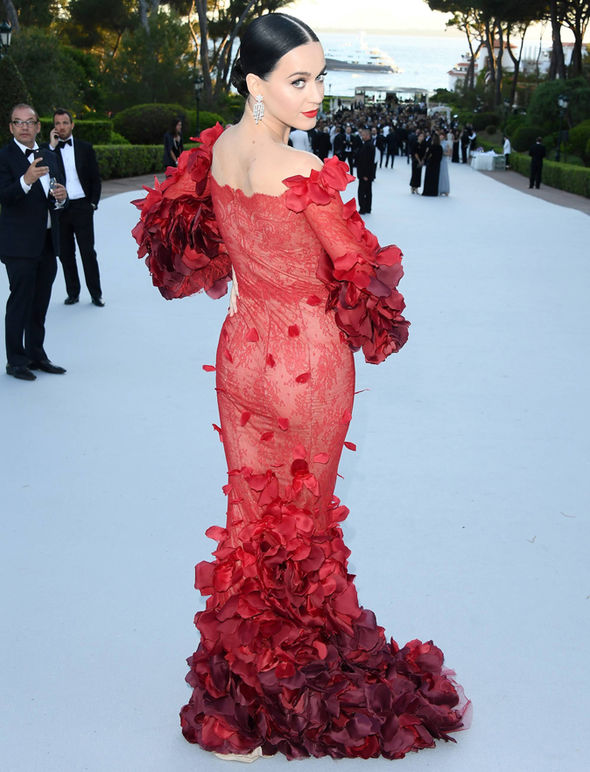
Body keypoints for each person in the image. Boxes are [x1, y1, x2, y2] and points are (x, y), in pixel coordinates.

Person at [133, 12, 469, 762]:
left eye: (321, 76)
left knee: (251, 522)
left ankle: (233, 699)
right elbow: (361, 272)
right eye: (299, 80)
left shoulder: (214, 152)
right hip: (308, 363)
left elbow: (179, 240)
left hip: (239, 353)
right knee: (303, 531)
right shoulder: (299, 174)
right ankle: (288, 698)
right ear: (256, 84)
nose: (316, 93)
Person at [0, 103, 68, 381]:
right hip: (19, 245)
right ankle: (15, 360)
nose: (25, 127)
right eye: (19, 122)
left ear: (39, 126)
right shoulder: (4, 157)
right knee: (20, 302)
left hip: (47, 243)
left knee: (40, 303)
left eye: (30, 122)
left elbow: (52, 195)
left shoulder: (47, 156)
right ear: (11, 127)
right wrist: (26, 180)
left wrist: (61, 199)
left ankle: (37, 354)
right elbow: (5, 196)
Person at [48, 108, 104, 307]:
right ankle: (73, 292)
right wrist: (51, 147)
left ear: (72, 125)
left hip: (82, 206)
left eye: (65, 123)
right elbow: (45, 176)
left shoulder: (85, 148)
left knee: (88, 252)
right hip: (60, 208)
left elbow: (95, 179)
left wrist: (92, 203)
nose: (61, 127)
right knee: (66, 254)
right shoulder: (49, 151)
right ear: (54, 127)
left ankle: (96, 294)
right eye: (57, 123)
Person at [356, 127, 376, 214]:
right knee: (367, 191)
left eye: (363, 135)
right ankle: (367, 208)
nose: (362, 136)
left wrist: (365, 175)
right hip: (367, 174)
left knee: (362, 191)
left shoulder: (368, 146)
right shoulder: (367, 145)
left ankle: (363, 208)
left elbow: (367, 162)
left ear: (368, 136)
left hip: (365, 174)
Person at [422, 132, 443, 196]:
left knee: (429, 178)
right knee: (435, 179)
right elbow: (440, 157)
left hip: (430, 164)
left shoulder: (431, 147)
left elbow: (427, 155)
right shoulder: (440, 148)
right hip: (436, 165)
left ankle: (427, 192)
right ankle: (434, 192)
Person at [438, 131, 452, 196]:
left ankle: (445, 190)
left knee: (444, 175)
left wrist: (443, 153)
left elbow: (449, 153)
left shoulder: (446, 144)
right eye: (440, 135)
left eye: (442, 135)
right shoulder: (437, 143)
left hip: (443, 160)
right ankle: (439, 189)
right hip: (438, 160)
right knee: (438, 174)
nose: (441, 137)